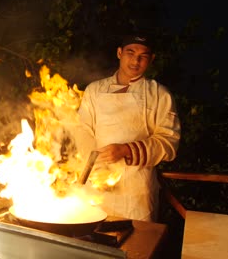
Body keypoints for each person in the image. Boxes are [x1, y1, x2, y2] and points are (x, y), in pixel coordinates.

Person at [76, 33, 181, 222]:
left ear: (151, 59)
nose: (136, 60)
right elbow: (82, 131)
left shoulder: (159, 94)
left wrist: (126, 150)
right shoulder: (94, 90)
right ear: (119, 53)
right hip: (98, 184)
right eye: (130, 53)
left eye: (143, 56)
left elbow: (169, 142)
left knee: (137, 247)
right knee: (94, 242)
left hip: (137, 189)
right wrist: (91, 162)